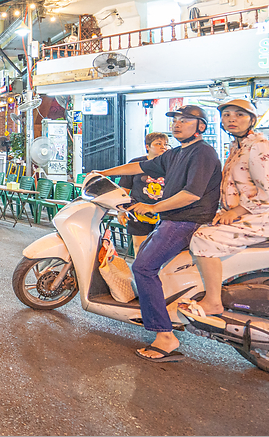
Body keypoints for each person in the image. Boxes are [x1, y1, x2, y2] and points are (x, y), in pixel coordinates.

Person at [96, 105, 222, 363]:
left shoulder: (203, 153)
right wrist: (104, 174)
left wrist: (153, 207)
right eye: (175, 120)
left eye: (185, 120)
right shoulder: (176, 154)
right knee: (145, 263)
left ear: (201, 126)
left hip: (186, 221)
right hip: (171, 220)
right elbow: (142, 167)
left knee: (143, 267)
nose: (177, 124)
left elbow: (192, 194)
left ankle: (165, 336)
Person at [180, 99, 269, 322]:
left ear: (252, 120)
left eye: (239, 115)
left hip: (266, 217)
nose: (232, 119)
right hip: (248, 215)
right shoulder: (237, 146)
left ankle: (213, 301)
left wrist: (236, 211)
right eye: (227, 115)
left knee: (204, 238)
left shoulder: (260, 146)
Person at [117, 132, 170, 254]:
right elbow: (124, 190)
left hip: (163, 212)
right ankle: (139, 272)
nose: (163, 147)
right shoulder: (136, 164)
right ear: (147, 146)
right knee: (139, 247)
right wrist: (121, 210)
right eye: (158, 144)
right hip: (137, 211)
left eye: (165, 144)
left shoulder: (171, 166)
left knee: (161, 249)